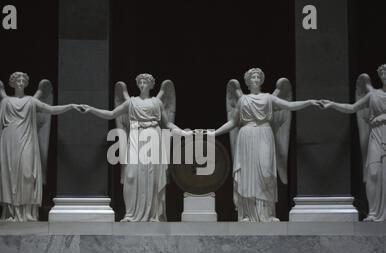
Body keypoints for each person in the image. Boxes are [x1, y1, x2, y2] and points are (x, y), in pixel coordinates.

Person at [0, 72, 85, 222]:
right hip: (8, 141)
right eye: (17, 80)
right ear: (12, 83)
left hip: (27, 140)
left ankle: (27, 212)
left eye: (23, 80)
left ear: (26, 83)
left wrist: (71, 106)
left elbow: (51, 110)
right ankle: (10, 213)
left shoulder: (31, 101)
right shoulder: (5, 102)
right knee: (9, 176)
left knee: (27, 174)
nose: (20, 82)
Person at [210, 68, 320, 222]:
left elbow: (289, 106)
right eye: (252, 77)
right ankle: (248, 214)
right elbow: (233, 123)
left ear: (261, 80)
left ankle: (266, 214)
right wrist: (214, 133)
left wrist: (308, 102)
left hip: (264, 134)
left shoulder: (269, 98)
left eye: (257, 77)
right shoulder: (242, 100)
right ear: (248, 82)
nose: (255, 79)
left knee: (266, 172)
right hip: (246, 136)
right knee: (248, 175)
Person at [81, 74, 189, 222]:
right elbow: (112, 114)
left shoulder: (157, 102)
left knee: (152, 176)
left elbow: (167, 124)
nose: (143, 84)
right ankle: (130, 213)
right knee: (131, 175)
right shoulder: (131, 102)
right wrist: (92, 109)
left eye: (146, 82)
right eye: (141, 82)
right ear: (138, 85)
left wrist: (182, 132)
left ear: (151, 85)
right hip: (136, 138)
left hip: (153, 138)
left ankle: (152, 214)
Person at [322, 64, 386, 222]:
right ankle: (373, 212)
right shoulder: (373, 95)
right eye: (383, 73)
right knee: (373, 173)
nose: (385, 75)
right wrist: (333, 104)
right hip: (377, 136)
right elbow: (352, 108)